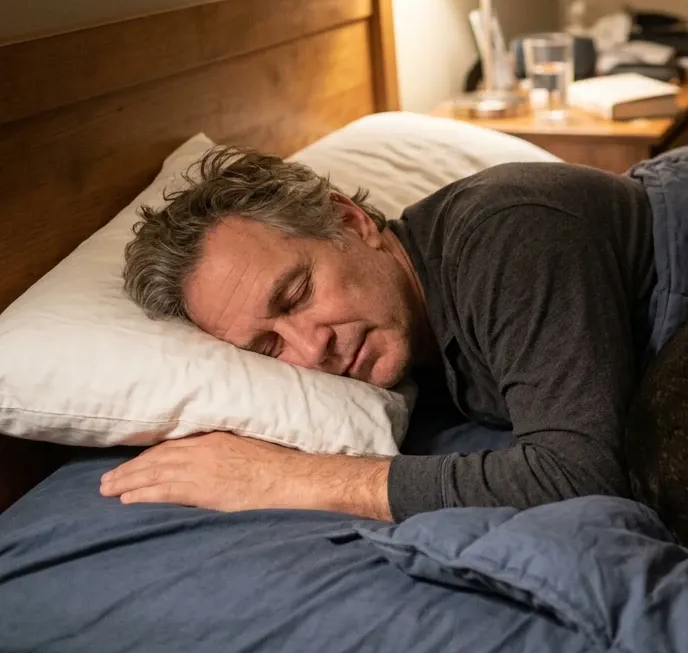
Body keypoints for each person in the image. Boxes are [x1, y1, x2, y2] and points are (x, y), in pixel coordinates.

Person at [100, 147, 656, 522]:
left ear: (351, 221)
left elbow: (580, 477)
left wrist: (291, 480)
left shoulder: (505, 233)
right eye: (270, 348)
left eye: (297, 295)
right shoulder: (412, 332)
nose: (312, 349)